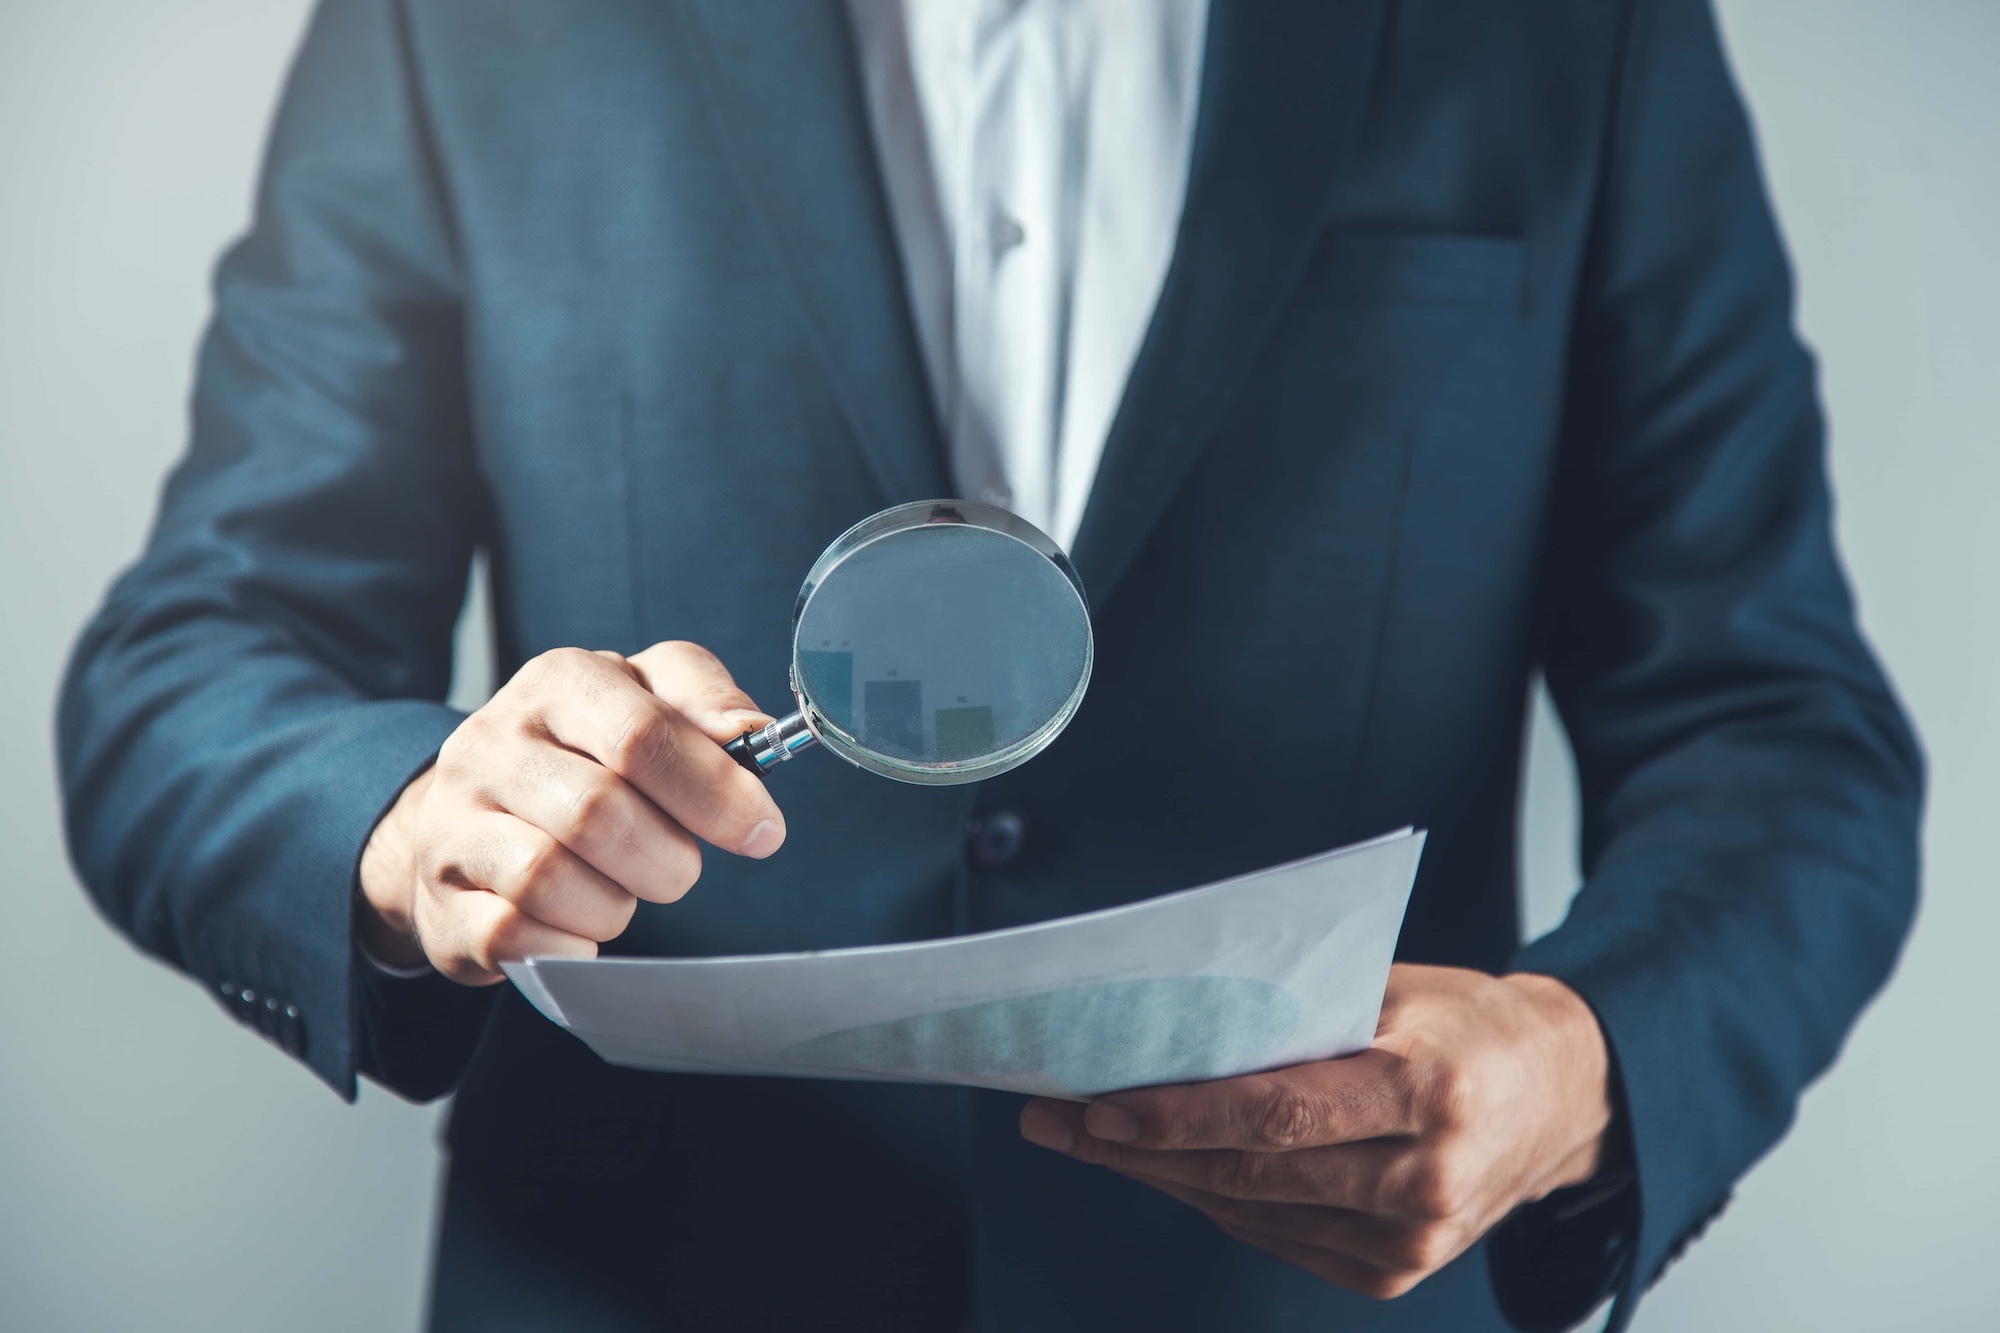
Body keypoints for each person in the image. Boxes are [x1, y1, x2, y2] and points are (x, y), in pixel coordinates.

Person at [58, 1, 1922, 1330]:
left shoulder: (1572, 28)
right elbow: (195, 661)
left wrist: (1583, 1059)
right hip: (643, 1280)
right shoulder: (464, 25)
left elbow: (1777, 733)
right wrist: (404, 823)